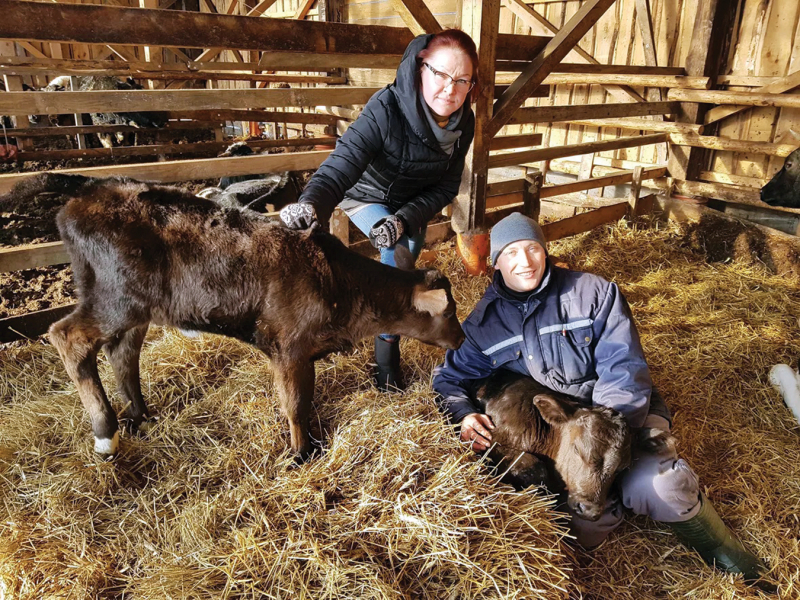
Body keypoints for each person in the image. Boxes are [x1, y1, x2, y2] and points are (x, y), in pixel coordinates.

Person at [432, 212, 775, 591]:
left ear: (545, 251)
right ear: (495, 261)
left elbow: (624, 368)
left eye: (532, 248)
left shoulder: (592, 293)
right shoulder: (484, 325)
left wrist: (610, 438)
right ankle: (604, 504)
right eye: (511, 253)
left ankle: (732, 560)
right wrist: (463, 414)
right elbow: (449, 378)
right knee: (585, 525)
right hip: (568, 427)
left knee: (659, 486)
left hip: (621, 416)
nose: (524, 261)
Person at [279, 29, 477, 393]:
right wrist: (311, 204)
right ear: (420, 67)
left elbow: (447, 187)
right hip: (366, 196)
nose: (450, 88)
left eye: (462, 80)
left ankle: (383, 351)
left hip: (409, 205)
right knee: (399, 258)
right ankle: (385, 362)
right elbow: (341, 164)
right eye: (441, 74)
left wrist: (403, 219)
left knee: (403, 255)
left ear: (470, 84)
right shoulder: (385, 109)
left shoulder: (464, 124)